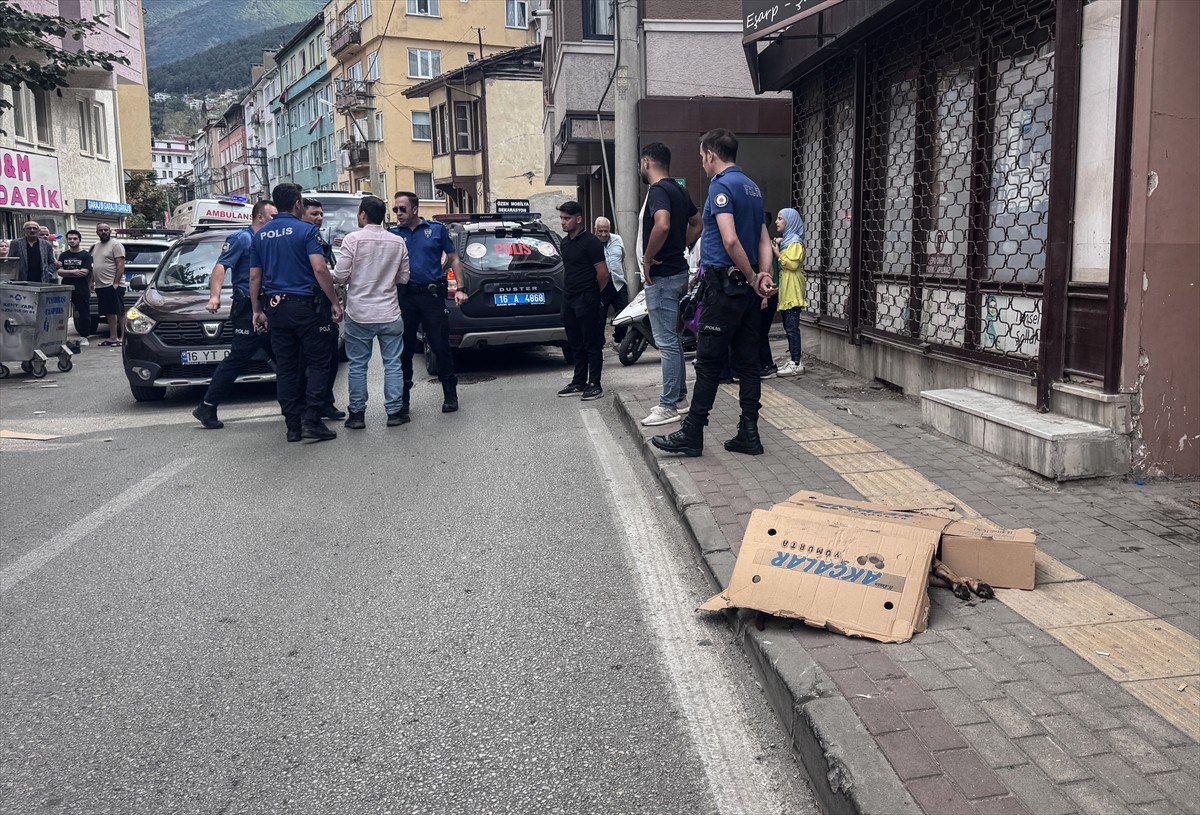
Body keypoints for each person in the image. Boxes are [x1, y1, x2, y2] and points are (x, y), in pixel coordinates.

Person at [652, 129, 775, 458]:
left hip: (725, 289)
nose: (702, 163)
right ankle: (749, 433)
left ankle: (692, 434)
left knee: (708, 363)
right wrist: (763, 276)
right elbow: (763, 240)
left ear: (710, 154)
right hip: (747, 293)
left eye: (701, 156)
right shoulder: (752, 187)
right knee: (748, 364)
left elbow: (730, 239)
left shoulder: (721, 186)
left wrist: (751, 277)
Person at [250, 183, 345, 444]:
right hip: (306, 307)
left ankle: (292, 425)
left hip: (276, 308)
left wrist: (257, 309)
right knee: (318, 362)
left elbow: (255, 276)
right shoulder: (307, 231)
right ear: (297, 203)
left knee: (287, 368)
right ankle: (312, 420)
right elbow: (320, 269)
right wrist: (334, 302)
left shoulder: (260, 235)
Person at [191, 200, 279, 429]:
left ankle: (296, 403)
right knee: (238, 357)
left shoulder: (267, 240)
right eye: (273, 215)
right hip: (246, 307)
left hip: (267, 305)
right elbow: (221, 266)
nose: (276, 219)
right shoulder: (243, 238)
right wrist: (214, 297)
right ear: (260, 217)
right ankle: (207, 405)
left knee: (283, 354)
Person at [330, 195, 410, 429]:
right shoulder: (398, 241)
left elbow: (341, 275)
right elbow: (404, 277)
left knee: (358, 365)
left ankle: (357, 415)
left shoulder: (352, 240)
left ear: (363, 215)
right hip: (390, 312)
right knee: (393, 363)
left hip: (359, 313)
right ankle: (394, 412)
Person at [636, 142, 701, 427]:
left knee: (665, 343)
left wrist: (648, 259)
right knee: (673, 340)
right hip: (678, 273)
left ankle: (668, 405)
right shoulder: (679, 189)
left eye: (641, 164)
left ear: (646, 162)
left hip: (661, 277)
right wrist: (679, 245)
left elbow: (661, 225)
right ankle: (680, 398)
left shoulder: (659, 190)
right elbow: (697, 224)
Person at [389, 191, 464, 416]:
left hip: (431, 296)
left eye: (402, 209)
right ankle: (403, 400)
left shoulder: (436, 229)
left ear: (415, 209)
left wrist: (459, 287)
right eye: (395, 210)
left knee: (440, 346)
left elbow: (453, 257)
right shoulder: (393, 234)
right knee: (404, 350)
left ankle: (450, 394)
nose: (398, 214)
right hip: (404, 297)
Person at [555, 201, 609, 401]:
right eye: (561, 218)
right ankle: (579, 381)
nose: (563, 222)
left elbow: (603, 274)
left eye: (567, 218)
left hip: (587, 298)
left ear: (578, 219)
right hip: (568, 298)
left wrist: (593, 294)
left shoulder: (591, 242)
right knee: (575, 343)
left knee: (591, 343)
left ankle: (594, 383)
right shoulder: (565, 242)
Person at [300, 198, 347, 421]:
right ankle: (312, 410)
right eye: (313, 214)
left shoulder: (318, 238)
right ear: (301, 214)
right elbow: (319, 271)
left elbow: (329, 269)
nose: (319, 218)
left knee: (330, 357)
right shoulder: (304, 237)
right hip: (310, 307)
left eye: (320, 214)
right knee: (312, 362)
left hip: (322, 306)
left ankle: (326, 403)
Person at [774, 207, 808, 376]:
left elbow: (793, 265)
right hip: (788, 290)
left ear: (790, 221)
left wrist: (777, 253)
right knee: (789, 327)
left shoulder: (794, 242)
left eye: (780, 218)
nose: (776, 221)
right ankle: (794, 360)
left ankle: (796, 362)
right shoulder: (789, 240)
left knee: (792, 328)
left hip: (793, 291)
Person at [90, 223, 126, 346]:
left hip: (113, 284)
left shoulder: (116, 245)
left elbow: (120, 265)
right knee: (109, 312)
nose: (103, 232)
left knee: (119, 312)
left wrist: (116, 282)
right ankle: (113, 337)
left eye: (106, 230)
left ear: (110, 231)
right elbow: (94, 265)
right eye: (101, 230)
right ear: (97, 232)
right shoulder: (96, 246)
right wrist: (92, 281)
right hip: (101, 285)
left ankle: (123, 338)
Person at [594, 217, 628, 346]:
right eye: (600, 231)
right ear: (595, 230)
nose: (603, 234)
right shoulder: (591, 243)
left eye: (606, 231)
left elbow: (622, 257)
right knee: (599, 319)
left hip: (618, 284)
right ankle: (599, 346)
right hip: (600, 287)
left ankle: (620, 341)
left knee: (624, 315)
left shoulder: (618, 239)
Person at [56, 230, 94, 344]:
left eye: (75, 238)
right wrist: (75, 271)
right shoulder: (63, 255)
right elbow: (59, 272)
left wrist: (67, 271)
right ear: (67, 240)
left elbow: (84, 272)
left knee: (84, 313)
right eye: (70, 239)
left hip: (81, 287)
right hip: (66, 287)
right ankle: (60, 337)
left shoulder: (86, 255)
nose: (72, 241)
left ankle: (84, 336)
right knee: (61, 313)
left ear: (79, 240)